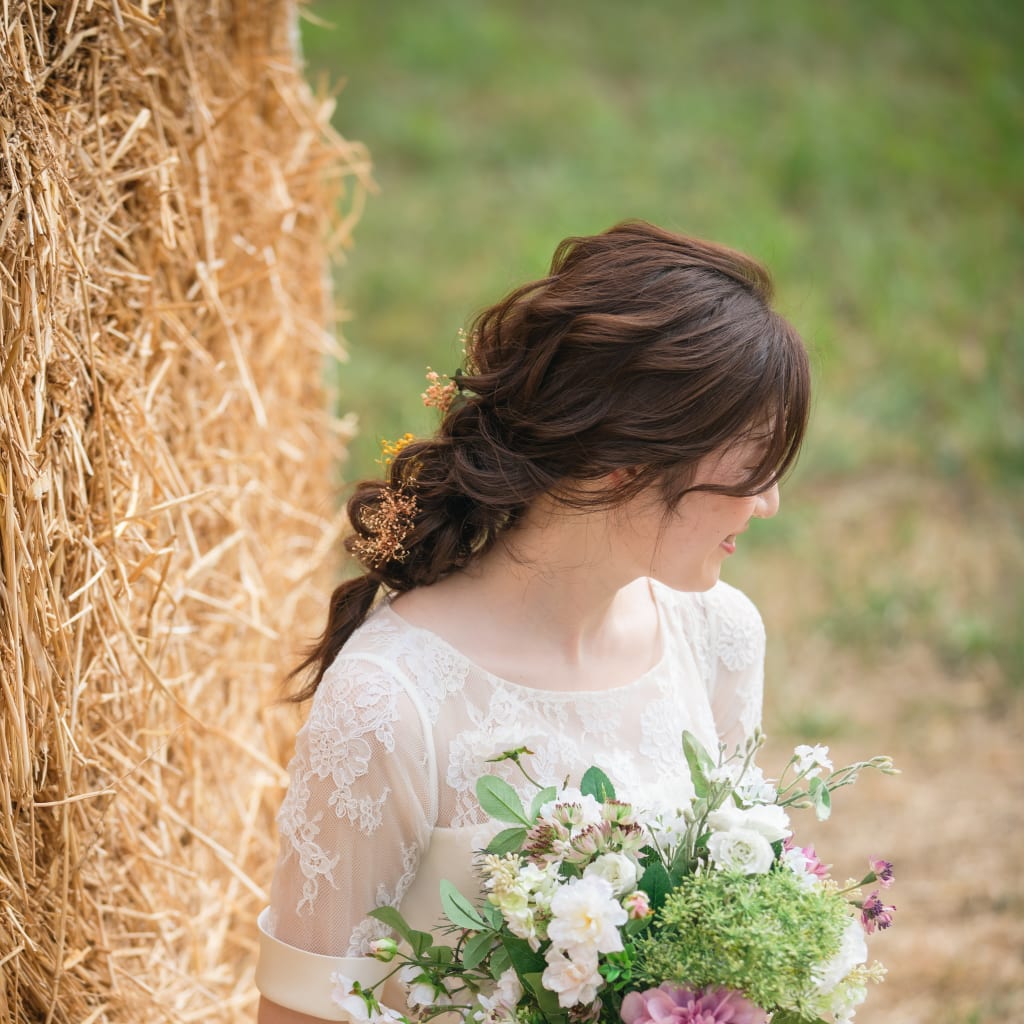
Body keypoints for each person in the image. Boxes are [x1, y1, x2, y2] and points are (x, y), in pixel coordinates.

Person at [255, 221, 811, 1023]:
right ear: (625, 461)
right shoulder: (390, 706)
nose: (770, 502)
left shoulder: (721, 636)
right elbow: (302, 1014)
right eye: (753, 465)